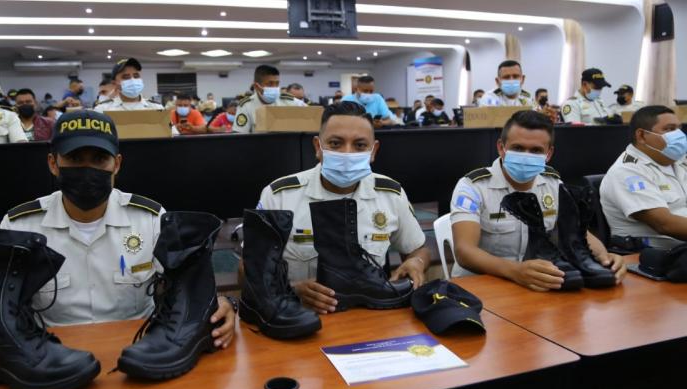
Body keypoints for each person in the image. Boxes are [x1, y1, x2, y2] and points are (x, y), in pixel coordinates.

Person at [0, 110, 237, 387]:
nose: (87, 169)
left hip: (141, 356)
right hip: (48, 360)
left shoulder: (150, 218)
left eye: (99, 159)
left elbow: (184, 287)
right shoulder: (21, 224)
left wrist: (218, 303)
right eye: (75, 158)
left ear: (116, 164)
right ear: (53, 163)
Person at [254, 101, 431, 313]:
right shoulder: (280, 195)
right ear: (318, 147)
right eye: (336, 143)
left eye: (359, 145)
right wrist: (291, 290)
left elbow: (417, 249)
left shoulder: (390, 194)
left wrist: (417, 262)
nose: (347, 153)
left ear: (373, 151)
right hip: (296, 315)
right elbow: (249, 268)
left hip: (369, 318)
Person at [450, 110, 625, 290]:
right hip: (479, 286)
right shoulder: (473, 186)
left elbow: (577, 233)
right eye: (518, 148)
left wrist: (605, 260)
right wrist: (515, 271)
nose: (526, 155)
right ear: (501, 147)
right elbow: (464, 251)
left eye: (536, 150)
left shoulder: (553, 183)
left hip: (534, 284)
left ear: (548, 154)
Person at [600, 106, 687, 250]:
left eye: (679, 128)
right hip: (657, 257)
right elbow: (664, 224)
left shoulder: (677, 162)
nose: (679, 134)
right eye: (669, 129)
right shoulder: (628, 171)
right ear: (641, 135)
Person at [233, 65, 299, 133]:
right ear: (256, 86)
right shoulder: (246, 106)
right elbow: (239, 137)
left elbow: (310, 118)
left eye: (277, 83)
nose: (275, 88)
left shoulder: (289, 101)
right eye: (270, 84)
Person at [94, 58, 164, 113]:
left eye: (136, 76)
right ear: (115, 83)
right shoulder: (102, 110)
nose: (133, 80)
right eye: (125, 77)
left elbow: (170, 131)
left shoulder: (157, 108)